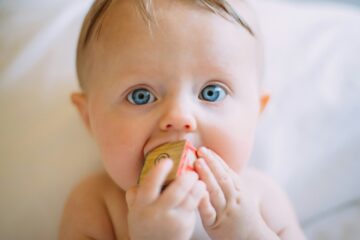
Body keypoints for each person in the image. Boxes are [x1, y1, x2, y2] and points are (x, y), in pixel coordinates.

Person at [59, 0, 305, 239]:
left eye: (212, 92)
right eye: (141, 96)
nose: (179, 117)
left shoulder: (261, 198)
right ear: (89, 118)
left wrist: (250, 234)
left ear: (256, 113)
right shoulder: (96, 206)